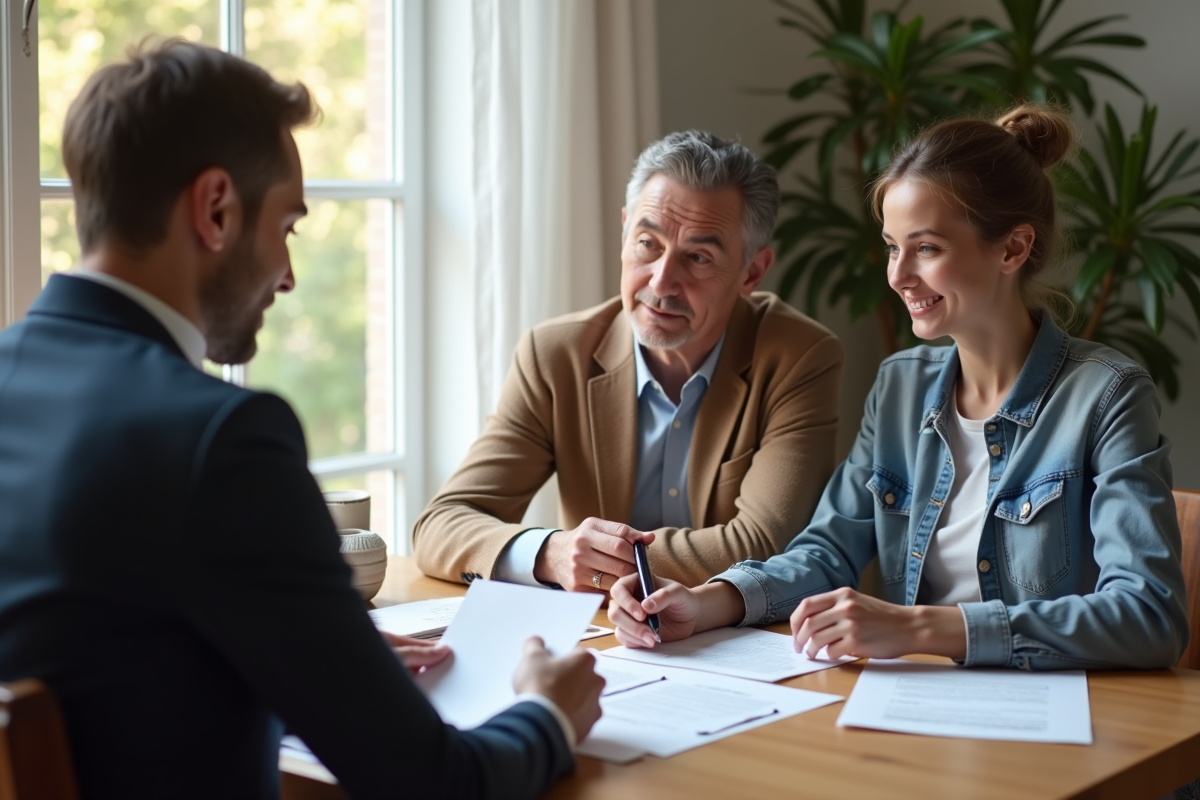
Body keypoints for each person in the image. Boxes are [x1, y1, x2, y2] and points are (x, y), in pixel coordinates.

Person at [0, 40, 602, 800]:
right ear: (215, 208)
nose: (287, 276)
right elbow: (431, 784)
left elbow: (97, 663)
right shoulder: (218, 442)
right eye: (287, 226)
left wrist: (311, 654)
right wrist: (547, 712)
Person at [608, 106, 1191, 671]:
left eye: (927, 248)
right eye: (892, 246)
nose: (898, 274)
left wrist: (918, 628)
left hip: (1061, 722)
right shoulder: (901, 387)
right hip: (920, 708)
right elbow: (829, 549)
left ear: (1013, 248)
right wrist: (707, 602)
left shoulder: (1107, 395)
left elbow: (1149, 616)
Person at [412, 131, 845, 593]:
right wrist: (551, 553)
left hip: (745, 642)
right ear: (624, 232)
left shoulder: (799, 356)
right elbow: (441, 525)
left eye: (698, 257)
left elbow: (763, 545)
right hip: (604, 640)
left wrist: (596, 562)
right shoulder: (556, 355)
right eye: (647, 242)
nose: (662, 281)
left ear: (751, 272)